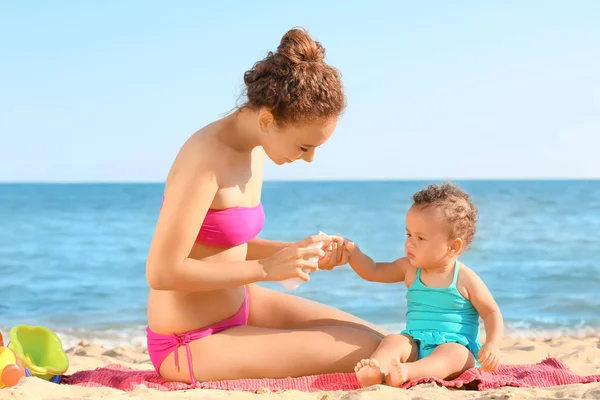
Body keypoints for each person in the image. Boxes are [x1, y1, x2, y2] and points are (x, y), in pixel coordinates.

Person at [144, 27, 385, 384]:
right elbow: (162, 272)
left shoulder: (256, 149)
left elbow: (222, 247)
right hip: (189, 342)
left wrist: (297, 253)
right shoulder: (205, 159)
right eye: (304, 147)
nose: (310, 159)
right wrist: (267, 268)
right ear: (268, 120)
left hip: (242, 305)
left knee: (383, 340)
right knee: (365, 350)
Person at [343, 182, 504, 387]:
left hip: (455, 346)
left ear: (453, 246)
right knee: (394, 341)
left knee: (454, 354)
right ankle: (378, 369)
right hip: (416, 343)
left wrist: (492, 344)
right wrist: (353, 253)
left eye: (420, 238)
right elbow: (373, 271)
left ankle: (409, 371)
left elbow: (491, 312)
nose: (410, 243)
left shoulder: (464, 278)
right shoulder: (409, 269)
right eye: (409, 234)